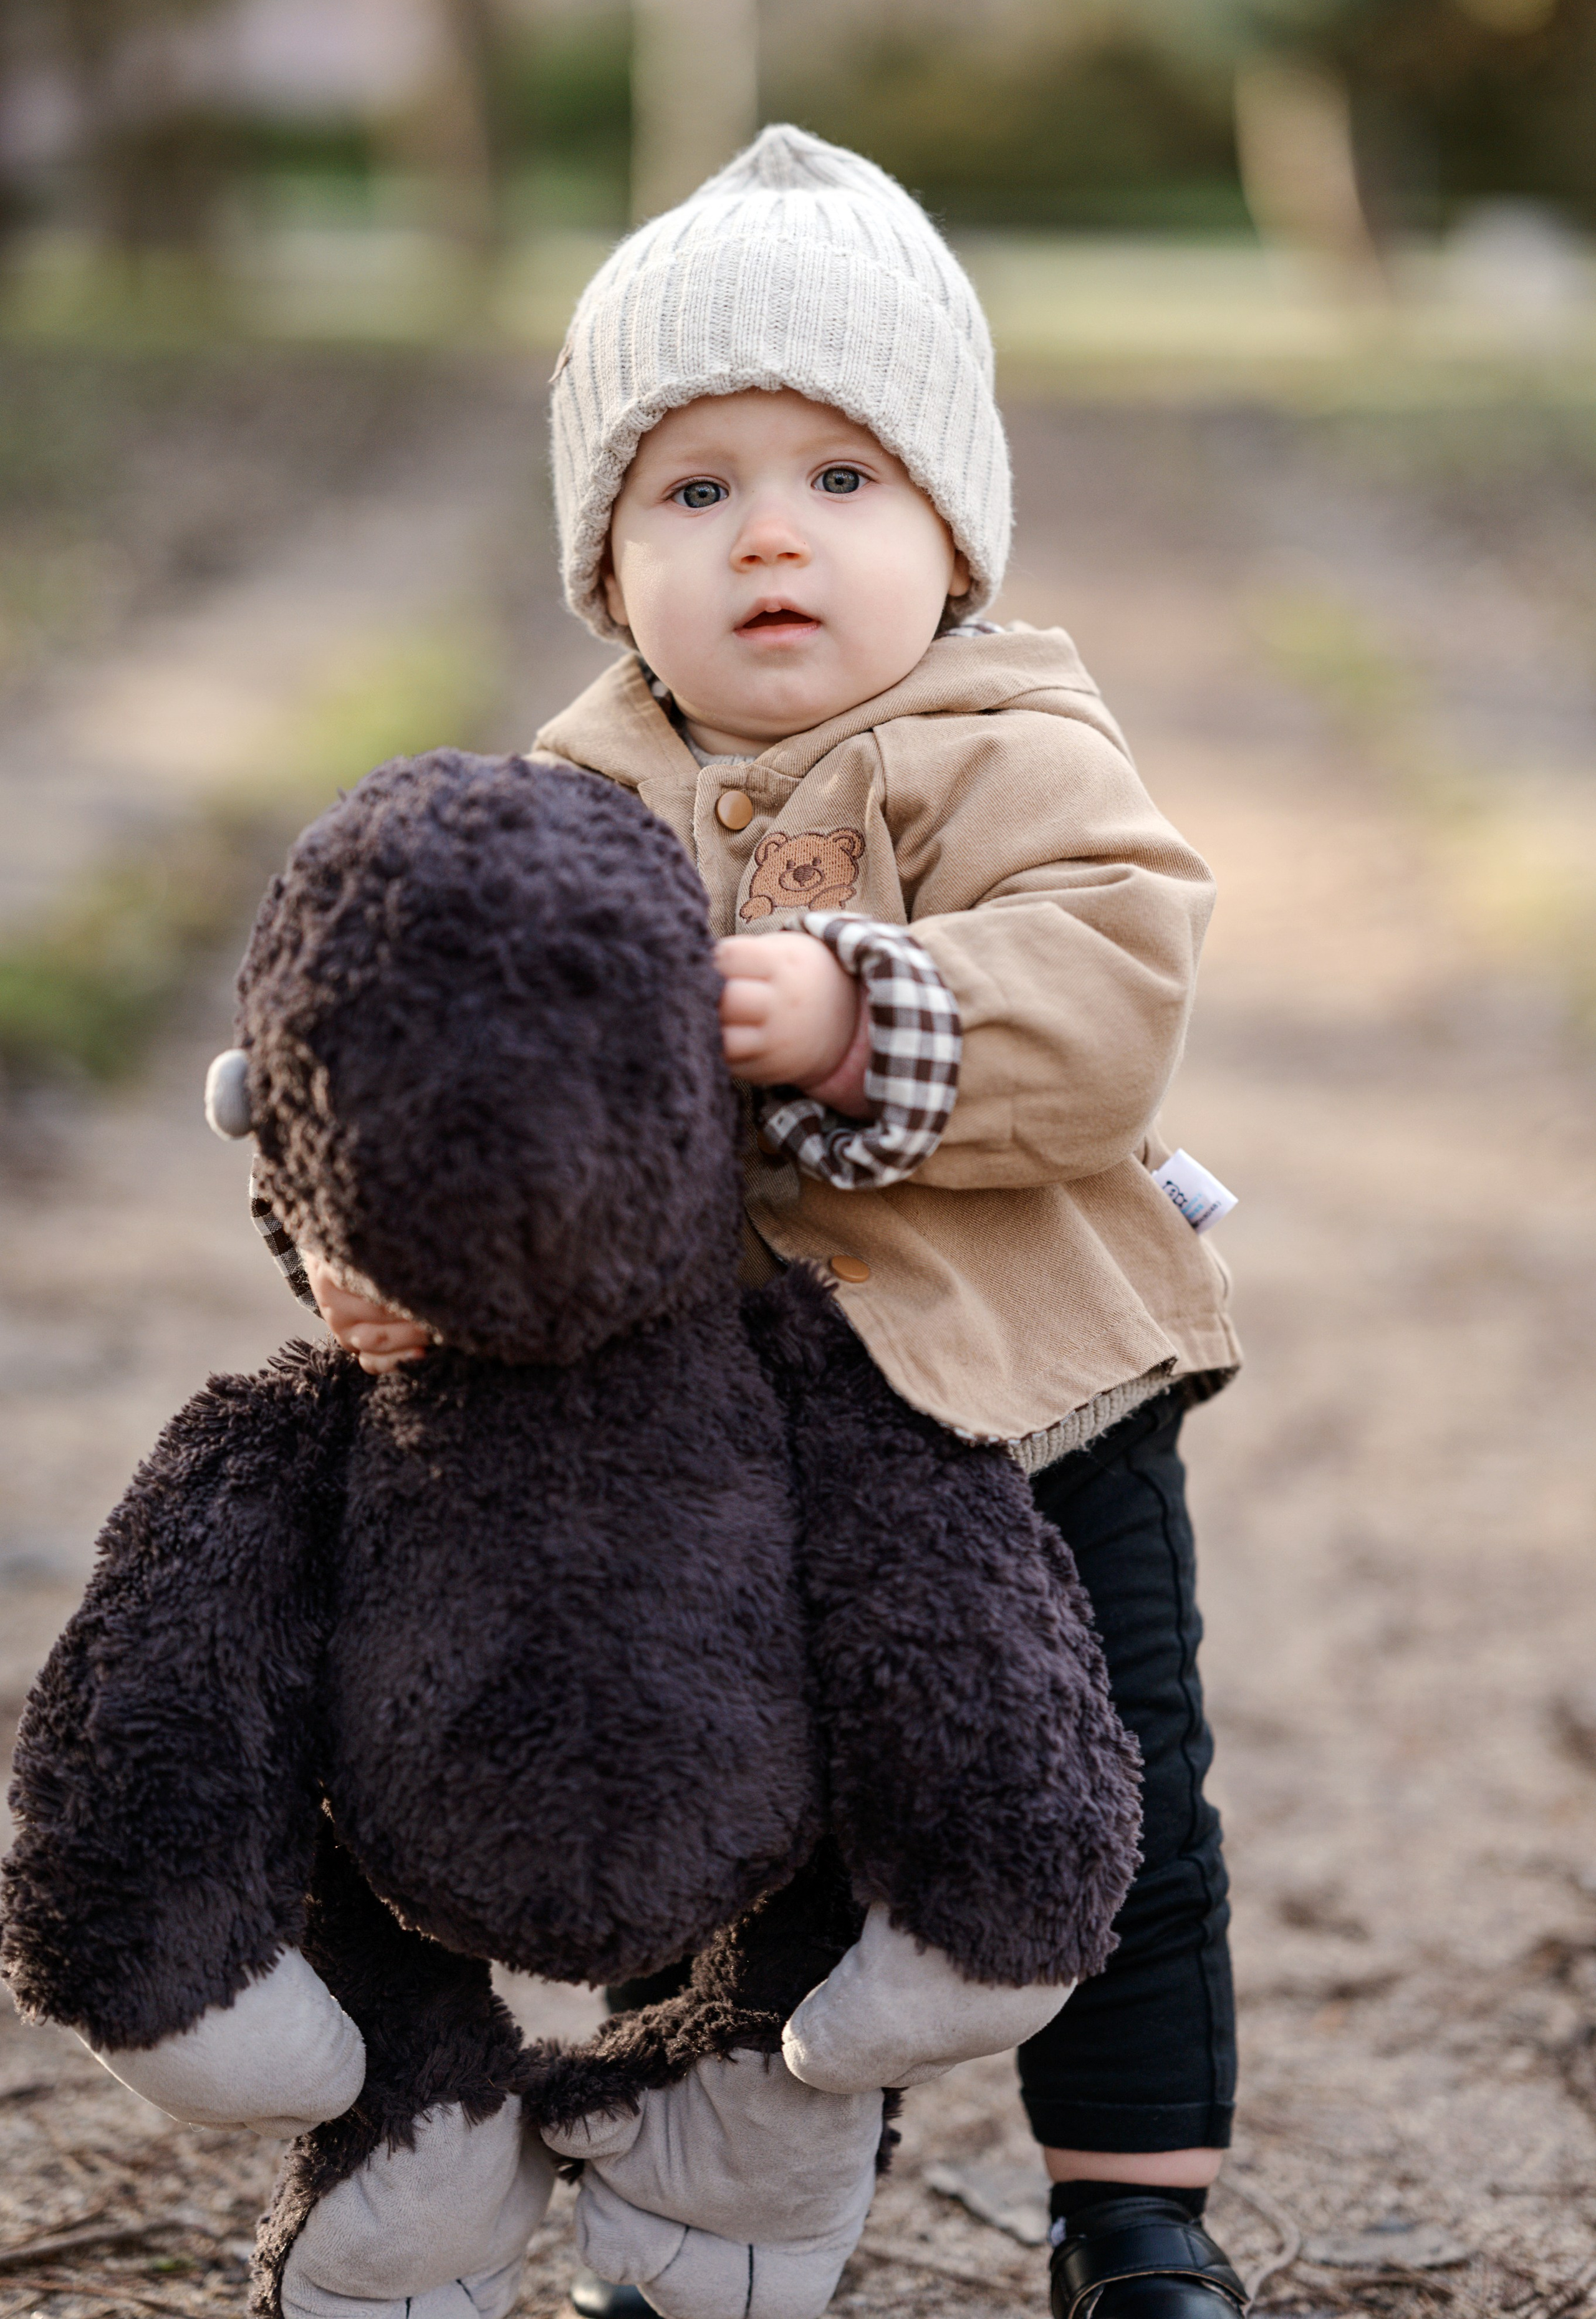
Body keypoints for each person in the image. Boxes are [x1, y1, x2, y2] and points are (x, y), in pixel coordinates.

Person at [269, 127, 1247, 2319]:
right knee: (776, 1835)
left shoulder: (1012, 739)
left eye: (842, 479)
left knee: (1117, 1810)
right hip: (725, 1450)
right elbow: (441, 1062)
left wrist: (859, 1005)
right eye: (692, 490)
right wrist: (385, 1239)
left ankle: (1136, 2216)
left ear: (954, 534)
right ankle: (725, 2209)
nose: (768, 538)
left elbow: (1116, 985)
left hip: (1033, 1395)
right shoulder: (565, 797)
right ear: (610, 566)